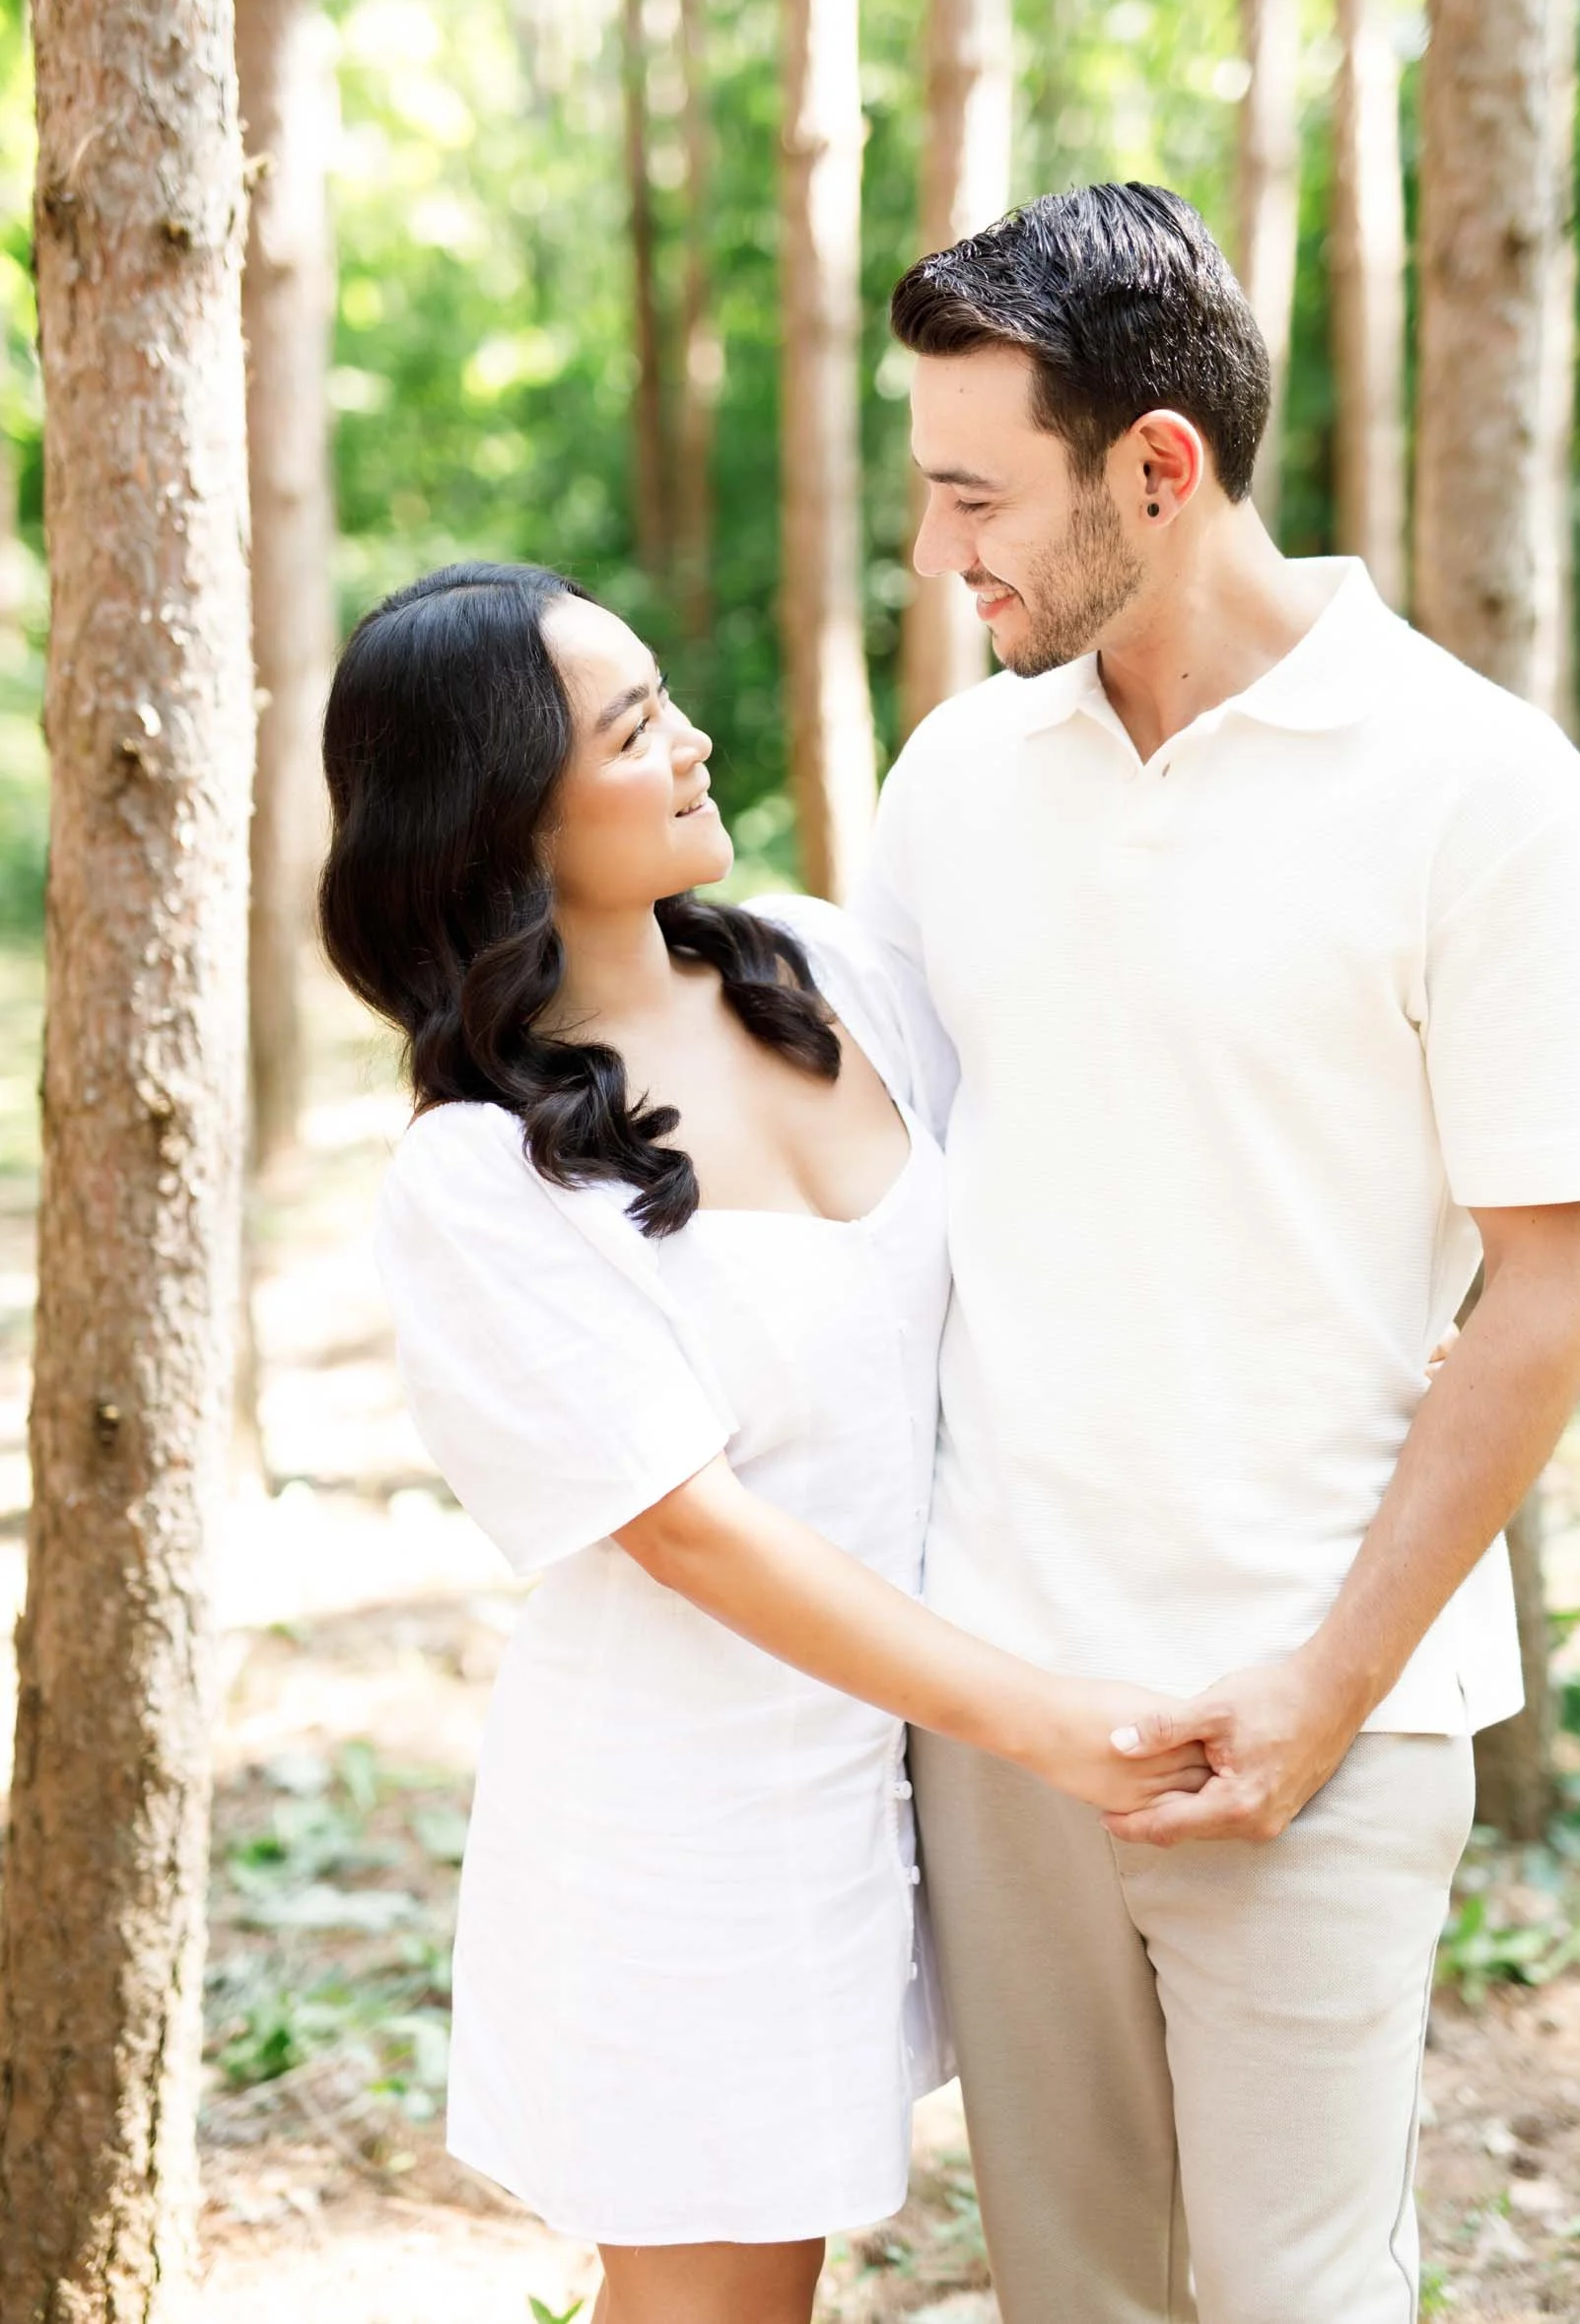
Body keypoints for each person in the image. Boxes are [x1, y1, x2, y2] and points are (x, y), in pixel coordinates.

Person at [859, 182, 1580, 2324]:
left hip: (1314, 1705)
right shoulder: (948, 780)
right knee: (1074, 2294)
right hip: (1006, 1689)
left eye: (971, 493)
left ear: (1157, 465)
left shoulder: (1482, 791)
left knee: (1299, 2298)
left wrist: (1326, 1687)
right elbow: (873, 1196)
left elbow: (1554, 1281)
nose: (942, 552)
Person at [317, 562, 1206, 2324]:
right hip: (684, 1825)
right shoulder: (483, 1174)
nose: (692, 738)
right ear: (505, 812)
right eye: (632, 726)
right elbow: (691, 1531)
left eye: (663, 696)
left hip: (901, 1776)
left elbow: (1081, 1177)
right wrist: (1045, 1724)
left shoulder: (822, 970)